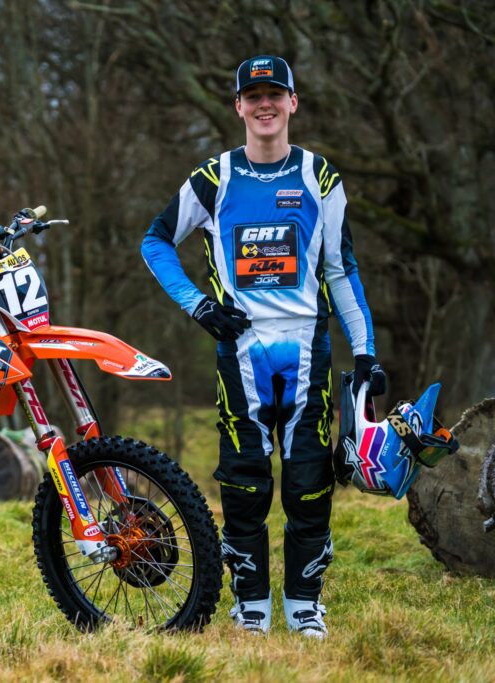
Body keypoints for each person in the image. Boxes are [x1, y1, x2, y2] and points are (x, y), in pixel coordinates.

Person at [140, 55, 386, 638]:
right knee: (243, 484)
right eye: (253, 97)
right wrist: (199, 306)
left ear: (293, 102)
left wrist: (366, 351)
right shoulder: (213, 177)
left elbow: (341, 270)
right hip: (241, 352)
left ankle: (304, 604)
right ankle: (251, 605)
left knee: (309, 484)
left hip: (307, 350)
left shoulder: (321, 177)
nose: (265, 104)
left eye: (275, 94)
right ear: (239, 107)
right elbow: (155, 242)